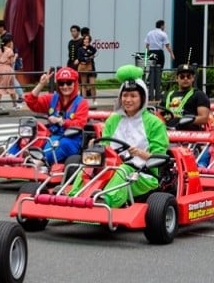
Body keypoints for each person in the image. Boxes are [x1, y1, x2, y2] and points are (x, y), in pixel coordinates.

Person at [71, 65, 169, 208]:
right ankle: (72, 197)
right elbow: (105, 147)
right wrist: (95, 146)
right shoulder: (113, 119)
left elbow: (159, 157)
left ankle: (107, 202)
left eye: (133, 96)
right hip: (110, 166)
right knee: (89, 164)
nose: (128, 100)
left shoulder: (154, 123)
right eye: (125, 95)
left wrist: (140, 153)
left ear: (142, 98)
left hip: (142, 173)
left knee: (124, 169)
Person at [14, 67, 89, 166]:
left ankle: (40, 162)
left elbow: (79, 124)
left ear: (75, 83)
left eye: (69, 83)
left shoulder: (82, 103)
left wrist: (60, 121)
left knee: (60, 144)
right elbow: (31, 102)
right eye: (61, 83)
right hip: (52, 135)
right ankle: (10, 156)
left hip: (72, 139)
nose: (65, 86)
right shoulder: (52, 98)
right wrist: (41, 84)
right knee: (26, 137)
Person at [161, 64, 210, 130]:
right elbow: (159, 114)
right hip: (167, 131)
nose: (185, 79)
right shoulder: (168, 95)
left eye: (189, 76)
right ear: (176, 78)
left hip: (189, 134)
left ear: (193, 78)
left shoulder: (199, 95)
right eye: (182, 76)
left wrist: (181, 120)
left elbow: (204, 119)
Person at [145, 20, 175, 101]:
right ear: (161, 26)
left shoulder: (150, 33)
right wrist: (172, 54)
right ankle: (157, 86)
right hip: (159, 52)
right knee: (159, 69)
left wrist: (148, 53)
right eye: (164, 25)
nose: (164, 27)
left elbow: (147, 45)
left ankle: (150, 83)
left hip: (151, 52)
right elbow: (167, 45)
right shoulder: (163, 34)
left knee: (152, 69)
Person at [0, 33, 20, 110]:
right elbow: (12, 62)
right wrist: (15, 56)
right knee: (11, 87)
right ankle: (15, 105)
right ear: (9, 42)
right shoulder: (10, 51)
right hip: (7, 69)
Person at [76, 34, 97, 105]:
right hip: (83, 68)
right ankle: (84, 101)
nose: (86, 40)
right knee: (83, 85)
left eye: (88, 39)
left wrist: (88, 46)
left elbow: (95, 51)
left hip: (91, 68)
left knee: (93, 85)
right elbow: (79, 58)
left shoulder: (91, 48)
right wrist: (87, 58)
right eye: (85, 39)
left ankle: (94, 100)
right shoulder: (80, 49)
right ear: (83, 40)